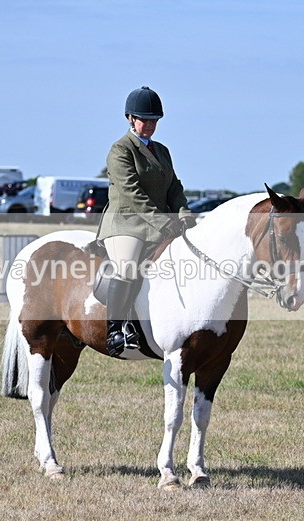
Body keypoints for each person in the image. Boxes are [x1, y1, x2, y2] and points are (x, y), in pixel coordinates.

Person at [97, 86, 196, 357]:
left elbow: (174, 186)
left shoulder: (162, 151)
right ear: (131, 118)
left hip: (160, 222)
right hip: (126, 223)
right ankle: (115, 331)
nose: (150, 125)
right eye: (145, 120)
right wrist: (163, 222)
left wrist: (184, 213)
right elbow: (132, 193)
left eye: (154, 120)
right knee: (128, 267)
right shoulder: (120, 150)